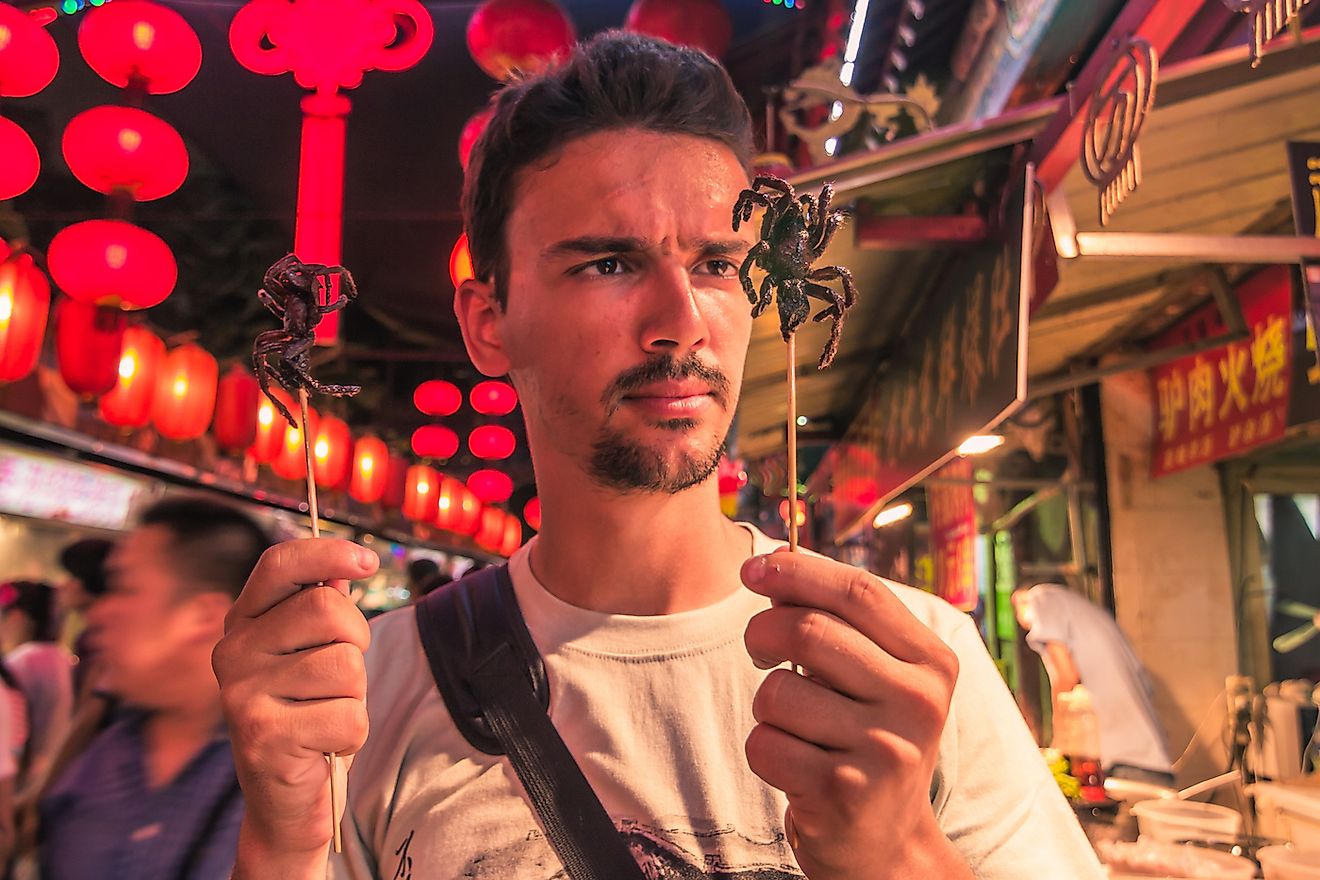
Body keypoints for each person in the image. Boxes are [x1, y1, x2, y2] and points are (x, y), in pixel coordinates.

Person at [213, 32, 1105, 880]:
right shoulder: (363, 698)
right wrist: (282, 845)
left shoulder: (906, 668)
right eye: (608, 264)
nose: (681, 321)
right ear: (489, 323)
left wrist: (902, 849)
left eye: (718, 264)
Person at [38, 497, 270, 880]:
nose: (98, 612)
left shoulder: (275, 785)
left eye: (125, 588)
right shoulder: (105, 748)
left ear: (203, 616)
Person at [1012, 583, 1175, 785]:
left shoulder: (1042, 597)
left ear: (1021, 600)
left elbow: (1066, 675)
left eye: (1016, 609)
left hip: (1126, 761)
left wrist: (1058, 739)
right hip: (1152, 761)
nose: (1019, 619)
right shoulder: (1088, 617)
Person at [0, 580, 72, 789]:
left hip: (21, 779)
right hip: (52, 775)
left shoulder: (21, 661)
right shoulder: (61, 657)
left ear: (16, 618)